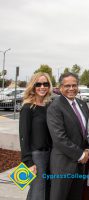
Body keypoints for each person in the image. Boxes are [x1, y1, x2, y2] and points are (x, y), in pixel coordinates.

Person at [47, 72, 89, 200]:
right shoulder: (55, 107)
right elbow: (59, 138)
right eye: (67, 86)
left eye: (74, 85)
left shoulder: (82, 104)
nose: (71, 88)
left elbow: (87, 131)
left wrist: (87, 149)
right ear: (60, 88)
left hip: (80, 165)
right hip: (63, 165)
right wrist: (81, 155)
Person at [19, 72, 53, 200]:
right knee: (38, 193)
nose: (42, 87)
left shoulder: (49, 106)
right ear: (33, 86)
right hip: (36, 157)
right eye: (38, 84)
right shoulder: (28, 108)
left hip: (49, 155)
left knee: (43, 192)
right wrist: (28, 162)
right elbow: (23, 137)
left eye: (45, 84)